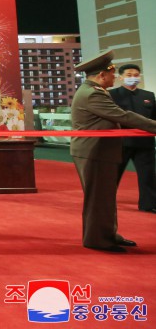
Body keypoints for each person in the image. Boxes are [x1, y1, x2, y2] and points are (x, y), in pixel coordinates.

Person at [70, 51, 156, 252]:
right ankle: (98, 240)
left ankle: (108, 233)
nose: (115, 77)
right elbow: (123, 116)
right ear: (101, 75)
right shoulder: (92, 94)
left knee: (105, 196)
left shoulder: (93, 90)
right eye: (112, 74)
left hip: (98, 150)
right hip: (94, 151)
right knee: (98, 198)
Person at [110, 64, 156, 214]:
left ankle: (148, 204)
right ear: (121, 77)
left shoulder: (148, 96)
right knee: (113, 174)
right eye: (129, 75)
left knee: (148, 175)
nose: (133, 78)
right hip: (120, 142)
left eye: (136, 74)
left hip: (145, 143)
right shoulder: (111, 95)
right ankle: (106, 203)